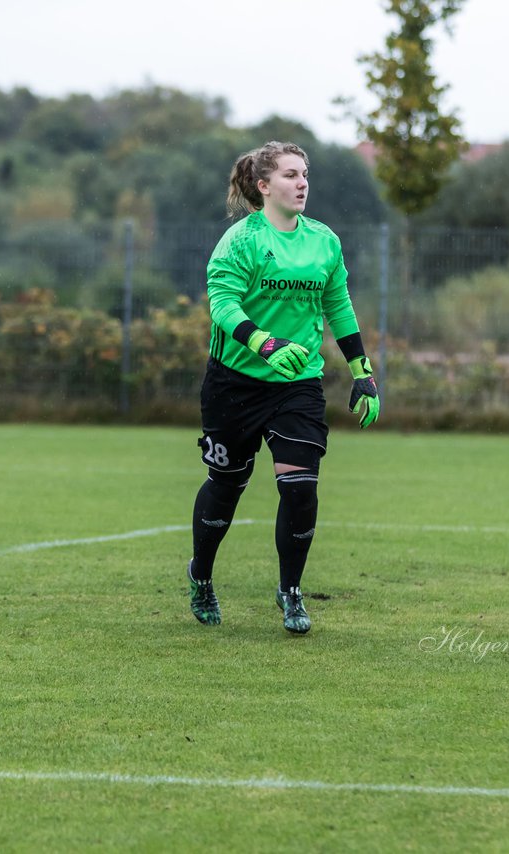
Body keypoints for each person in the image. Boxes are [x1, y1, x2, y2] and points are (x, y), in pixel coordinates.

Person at [187, 140, 380, 635]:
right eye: (291, 175)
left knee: (300, 488)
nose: (302, 184)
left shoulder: (324, 242)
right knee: (227, 487)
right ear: (263, 184)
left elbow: (339, 308)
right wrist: (267, 344)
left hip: (298, 384)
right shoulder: (240, 241)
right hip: (235, 383)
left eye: (306, 174)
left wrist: (362, 371)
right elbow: (224, 307)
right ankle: (201, 575)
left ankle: (290, 592)